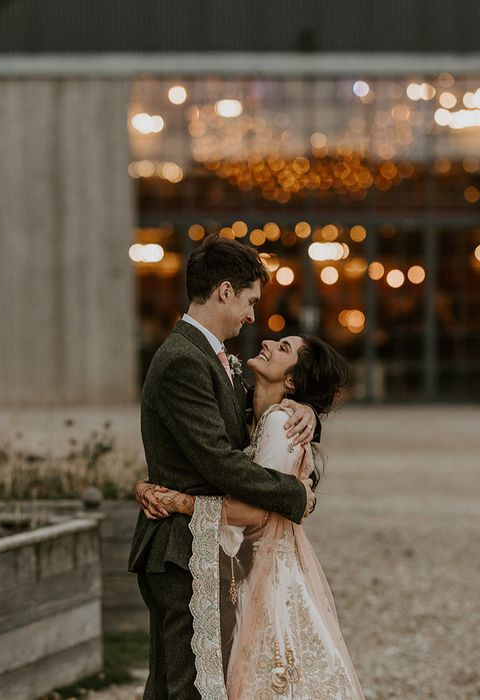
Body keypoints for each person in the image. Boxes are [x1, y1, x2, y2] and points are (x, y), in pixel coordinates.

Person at [128, 234, 319, 700]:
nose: (253, 317)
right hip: (179, 547)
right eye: (250, 301)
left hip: (199, 543)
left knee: (182, 685)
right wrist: (296, 496)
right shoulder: (182, 361)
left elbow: (254, 435)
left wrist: (305, 408)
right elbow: (218, 460)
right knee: (188, 688)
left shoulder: (217, 359)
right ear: (225, 291)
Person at [139, 334, 364, 699]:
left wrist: (182, 503)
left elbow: (255, 513)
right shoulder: (258, 416)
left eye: (284, 348)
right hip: (248, 567)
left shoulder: (279, 424)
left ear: (291, 380)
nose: (269, 342)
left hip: (266, 575)